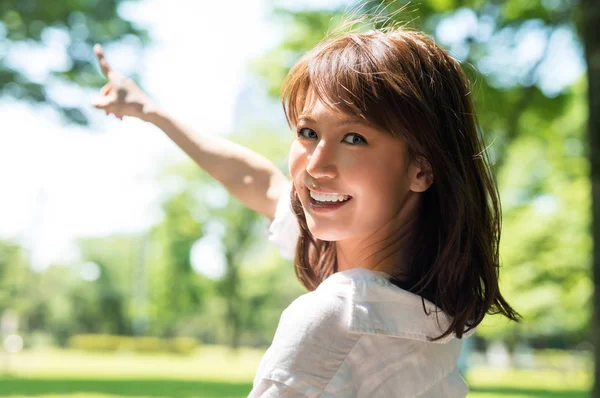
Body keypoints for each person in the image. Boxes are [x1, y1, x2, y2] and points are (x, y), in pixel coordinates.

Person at [92, 22, 520, 397]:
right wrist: (152, 112)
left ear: (421, 169)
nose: (316, 166)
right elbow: (258, 182)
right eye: (308, 131)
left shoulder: (334, 317)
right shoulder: (428, 307)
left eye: (354, 138)